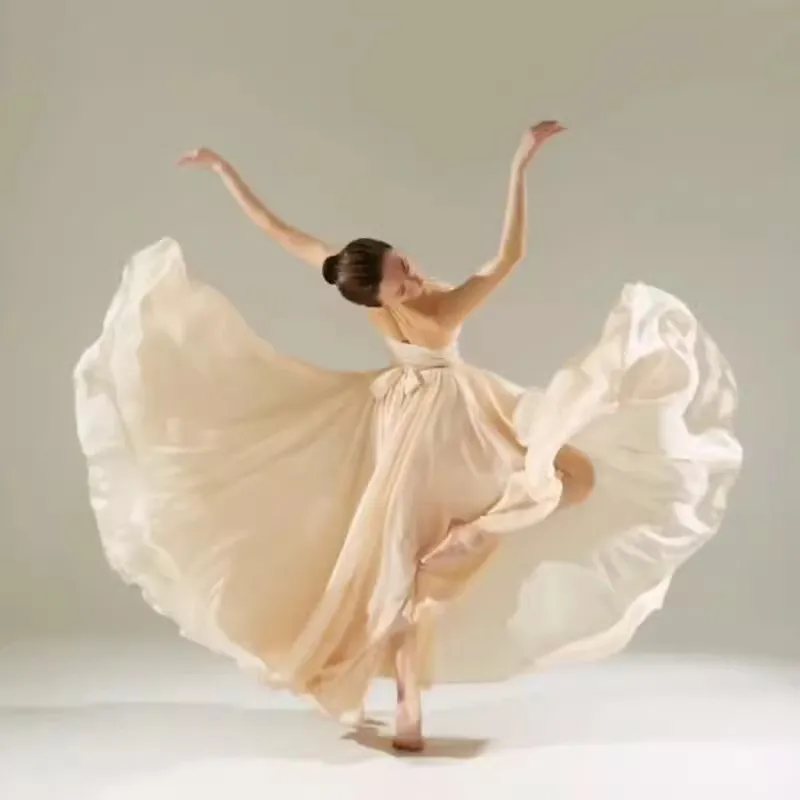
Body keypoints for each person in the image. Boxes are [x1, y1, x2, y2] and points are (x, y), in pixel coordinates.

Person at [73, 121, 742, 752]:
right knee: (551, 483)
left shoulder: (349, 277)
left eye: (405, 262)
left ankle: (423, 652)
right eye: (402, 278)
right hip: (453, 422)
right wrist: (521, 164)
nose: (414, 274)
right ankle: (438, 623)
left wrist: (224, 171)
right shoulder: (440, 309)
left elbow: (281, 232)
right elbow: (510, 256)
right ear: (381, 301)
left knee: (415, 554)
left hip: (397, 416)